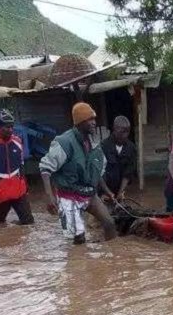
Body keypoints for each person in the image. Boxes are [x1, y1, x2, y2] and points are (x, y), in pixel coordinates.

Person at [40, 102, 117, 244]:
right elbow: (45, 169)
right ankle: (78, 262)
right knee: (79, 238)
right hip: (69, 195)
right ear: (80, 122)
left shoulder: (94, 142)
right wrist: (49, 196)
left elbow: (96, 170)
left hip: (89, 193)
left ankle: (111, 260)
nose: (94, 123)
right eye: (89, 120)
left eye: (94, 119)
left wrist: (107, 191)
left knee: (109, 223)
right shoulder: (64, 142)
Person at [0, 109, 33, 225]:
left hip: (19, 191)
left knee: (28, 222)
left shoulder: (17, 141)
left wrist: (26, 187)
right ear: (0, 127)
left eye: (11, 127)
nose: (10, 130)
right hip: (0, 193)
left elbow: (21, 164)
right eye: (7, 127)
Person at [100, 115, 138, 202]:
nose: (125, 135)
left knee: (120, 213)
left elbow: (128, 173)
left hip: (119, 191)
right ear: (114, 129)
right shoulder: (103, 146)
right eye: (122, 132)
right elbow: (98, 174)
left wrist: (120, 192)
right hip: (103, 191)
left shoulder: (131, 148)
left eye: (127, 132)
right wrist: (107, 192)